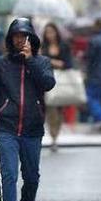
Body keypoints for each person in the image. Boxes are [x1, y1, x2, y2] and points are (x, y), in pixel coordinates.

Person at [0, 18, 56, 201]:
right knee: (9, 173)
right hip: (7, 126)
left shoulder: (42, 62)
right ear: (10, 39)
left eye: (24, 36)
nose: (20, 40)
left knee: (31, 175)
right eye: (16, 36)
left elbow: (48, 83)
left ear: (32, 39)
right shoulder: (2, 63)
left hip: (32, 128)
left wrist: (30, 61)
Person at [40, 22, 73, 151]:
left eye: (52, 32)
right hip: (48, 81)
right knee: (50, 109)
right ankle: (53, 137)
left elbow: (69, 64)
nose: (50, 35)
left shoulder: (64, 46)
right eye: (47, 33)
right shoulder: (43, 47)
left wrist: (54, 62)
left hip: (62, 82)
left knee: (59, 110)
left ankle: (56, 135)